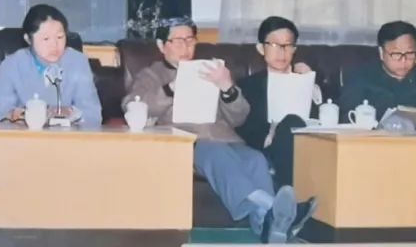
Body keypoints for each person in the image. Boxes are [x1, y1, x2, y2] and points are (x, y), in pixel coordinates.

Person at [122, 19, 315, 244]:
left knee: (256, 160)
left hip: (227, 139)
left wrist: (227, 88)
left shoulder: (210, 70)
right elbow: (133, 105)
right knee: (215, 154)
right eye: (178, 41)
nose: (185, 47)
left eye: (190, 40)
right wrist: (170, 89)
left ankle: (268, 225)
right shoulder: (152, 75)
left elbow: (239, 116)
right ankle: (275, 208)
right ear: (161, 45)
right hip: (190, 142)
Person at [236, 16, 321, 189]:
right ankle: (289, 193)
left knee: (292, 122)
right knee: (290, 123)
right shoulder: (248, 85)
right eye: (274, 45)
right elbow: (244, 129)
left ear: (294, 49)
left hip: (308, 146)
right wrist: (270, 134)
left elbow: (327, 118)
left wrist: (310, 85)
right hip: (268, 150)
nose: (282, 52)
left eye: (287, 45)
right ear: (261, 48)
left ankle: (288, 195)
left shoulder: (307, 79)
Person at [0, 4, 103, 127]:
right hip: (25, 136)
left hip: (67, 136)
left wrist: (71, 113)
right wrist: (16, 115)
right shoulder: (12, 65)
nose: (54, 45)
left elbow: (93, 115)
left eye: (60, 37)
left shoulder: (77, 62)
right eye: (46, 39)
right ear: (28, 39)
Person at [340, 20, 416, 118]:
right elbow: (345, 115)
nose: (403, 60)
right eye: (396, 54)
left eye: (410, 53)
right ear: (382, 53)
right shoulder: (360, 78)